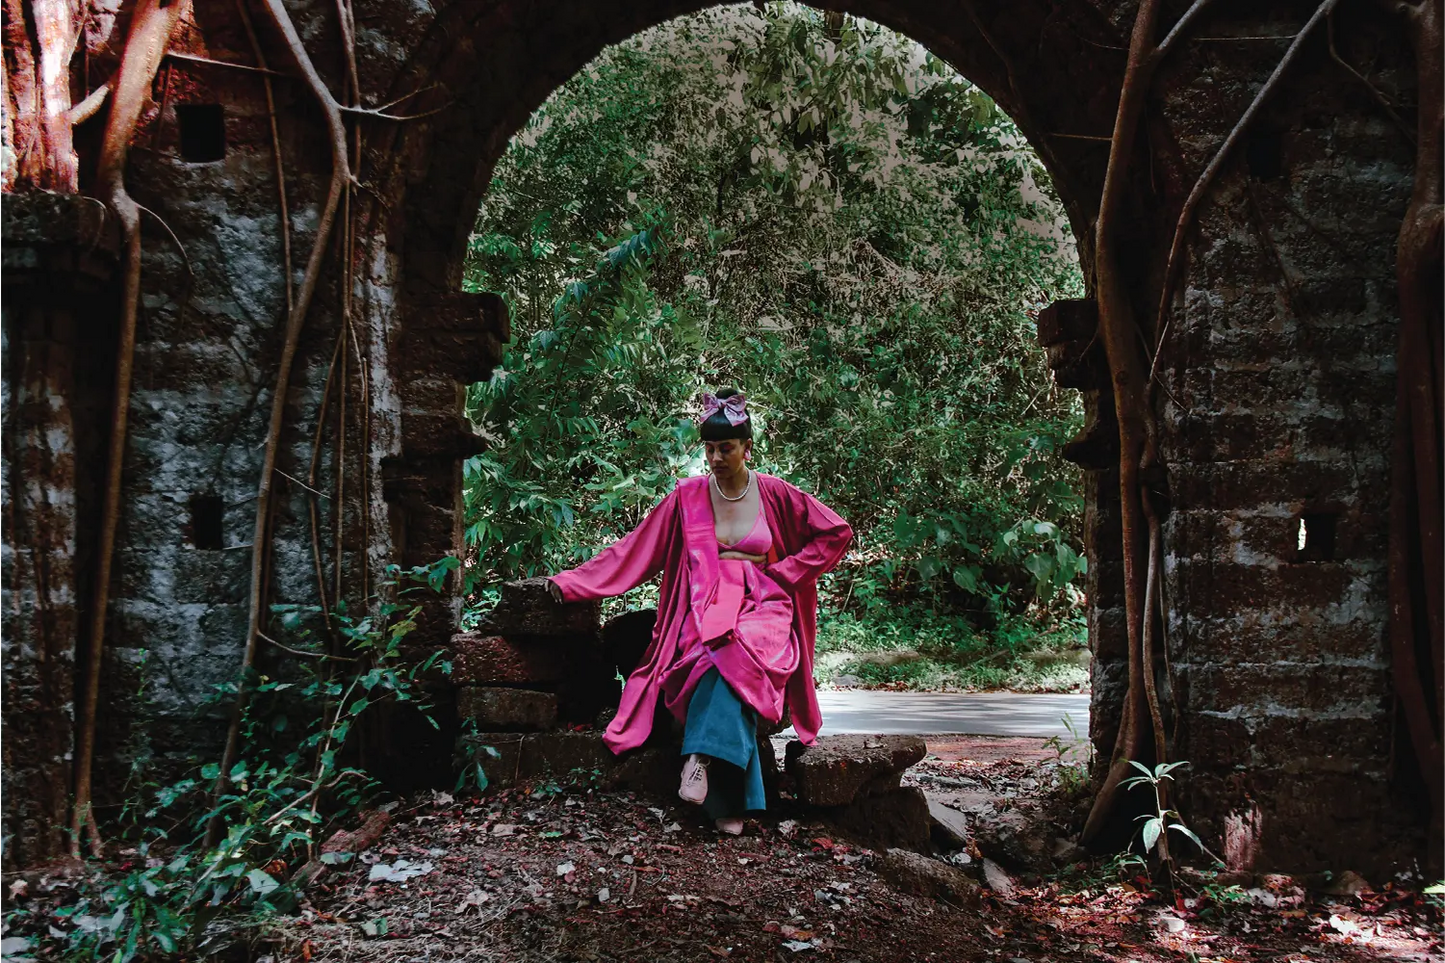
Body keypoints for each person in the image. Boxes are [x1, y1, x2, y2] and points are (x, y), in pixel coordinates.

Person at [545, 388, 852, 834]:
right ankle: (728, 804)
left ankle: (698, 756)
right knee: (711, 656)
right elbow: (634, 551)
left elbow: (835, 533)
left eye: (725, 448)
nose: (715, 457)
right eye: (709, 449)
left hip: (764, 605)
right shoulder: (686, 498)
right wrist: (573, 583)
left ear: (747, 448)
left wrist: (784, 573)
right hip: (704, 604)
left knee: (742, 653)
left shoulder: (777, 494)